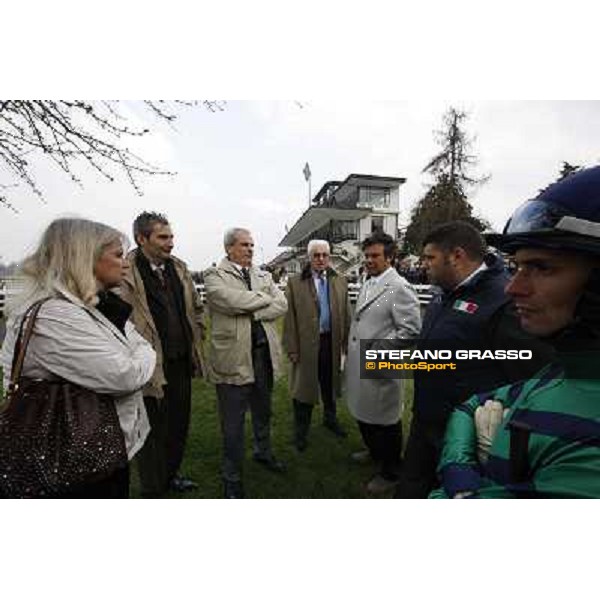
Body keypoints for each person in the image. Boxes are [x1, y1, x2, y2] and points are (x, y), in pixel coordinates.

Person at [431, 166, 600, 498]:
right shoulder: (563, 371)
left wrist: (458, 487)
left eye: (541, 267)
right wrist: (463, 473)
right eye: (516, 267)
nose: (514, 288)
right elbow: (470, 406)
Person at [0, 218, 156, 498]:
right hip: (74, 458)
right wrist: (147, 352)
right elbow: (126, 375)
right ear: (84, 258)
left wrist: (137, 350)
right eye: (118, 255)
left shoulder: (87, 308)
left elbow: (132, 345)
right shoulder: (55, 316)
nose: (125, 263)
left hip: (94, 450)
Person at [396, 221, 551, 499]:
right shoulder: (443, 291)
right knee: (411, 487)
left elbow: (527, 376)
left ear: (457, 256)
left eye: (430, 257)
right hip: (426, 418)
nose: (424, 265)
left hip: (464, 433)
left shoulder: (503, 301)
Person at [119, 211, 205, 497]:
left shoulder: (179, 268)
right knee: (152, 431)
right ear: (141, 239)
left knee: (178, 425)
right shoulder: (125, 271)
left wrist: (197, 336)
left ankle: (171, 476)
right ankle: (152, 490)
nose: (170, 243)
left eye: (171, 236)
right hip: (148, 365)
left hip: (180, 362)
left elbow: (196, 308)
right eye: (162, 237)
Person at [204, 227, 288, 499]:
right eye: (244, 245)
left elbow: (282, 304)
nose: (250, 249)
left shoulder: (263, 274)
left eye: (252, 244)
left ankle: (263, 453)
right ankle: (232, 478)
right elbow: (228, 300)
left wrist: (251, 309)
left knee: (263, 412)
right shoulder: (215, 276)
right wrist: (262, 301)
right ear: (229, 248)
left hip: (263, 356)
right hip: (233, 359)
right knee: (233, 424)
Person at [346, 231, 421, 494]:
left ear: (390, 257)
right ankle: (374, 452)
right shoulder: (369, 281)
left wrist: (377, 351)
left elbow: (410, 330)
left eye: (375, 255)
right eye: (366, 255)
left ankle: (391, 471)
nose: (369, 260)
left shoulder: (399, 287)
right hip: (360, 362)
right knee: (365, 410)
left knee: (386, 419)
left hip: (381, 363)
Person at [282, 240, 350, 452]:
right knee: (304, 388)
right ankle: (300, 431)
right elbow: (289, 318)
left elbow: (347, 314)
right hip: (306, 344)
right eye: (316, 255)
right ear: (309, 258)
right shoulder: (295, 282)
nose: (321, 259)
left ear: (329, 257)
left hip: (331, 341)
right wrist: (292, 347)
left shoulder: (339, 280)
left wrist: (347, 342)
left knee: (330, 384)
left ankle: (330, 419)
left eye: (324, 255)